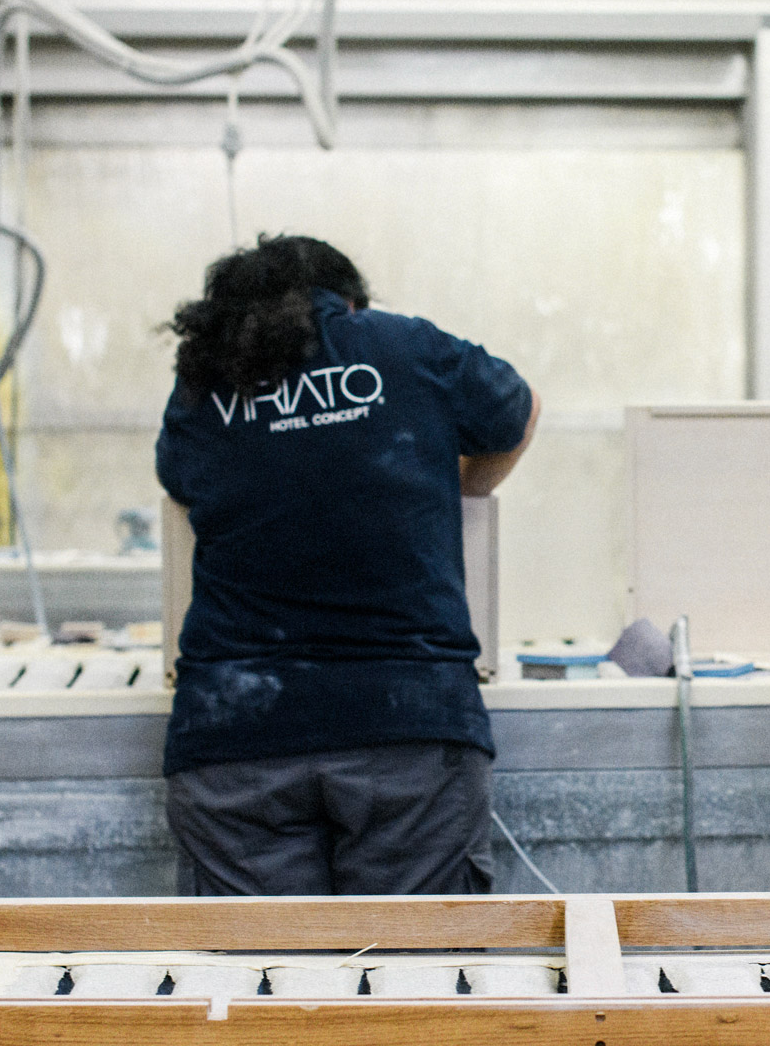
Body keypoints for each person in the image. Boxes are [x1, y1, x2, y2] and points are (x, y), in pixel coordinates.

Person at [156, 234, 537, 896]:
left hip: (235, 738)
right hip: (410, 729)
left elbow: (182, 487)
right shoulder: (406, 346)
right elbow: (518, 410)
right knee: (415, 985)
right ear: (350, 303)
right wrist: (467, 487)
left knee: (259, 985)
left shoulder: (206, 383)